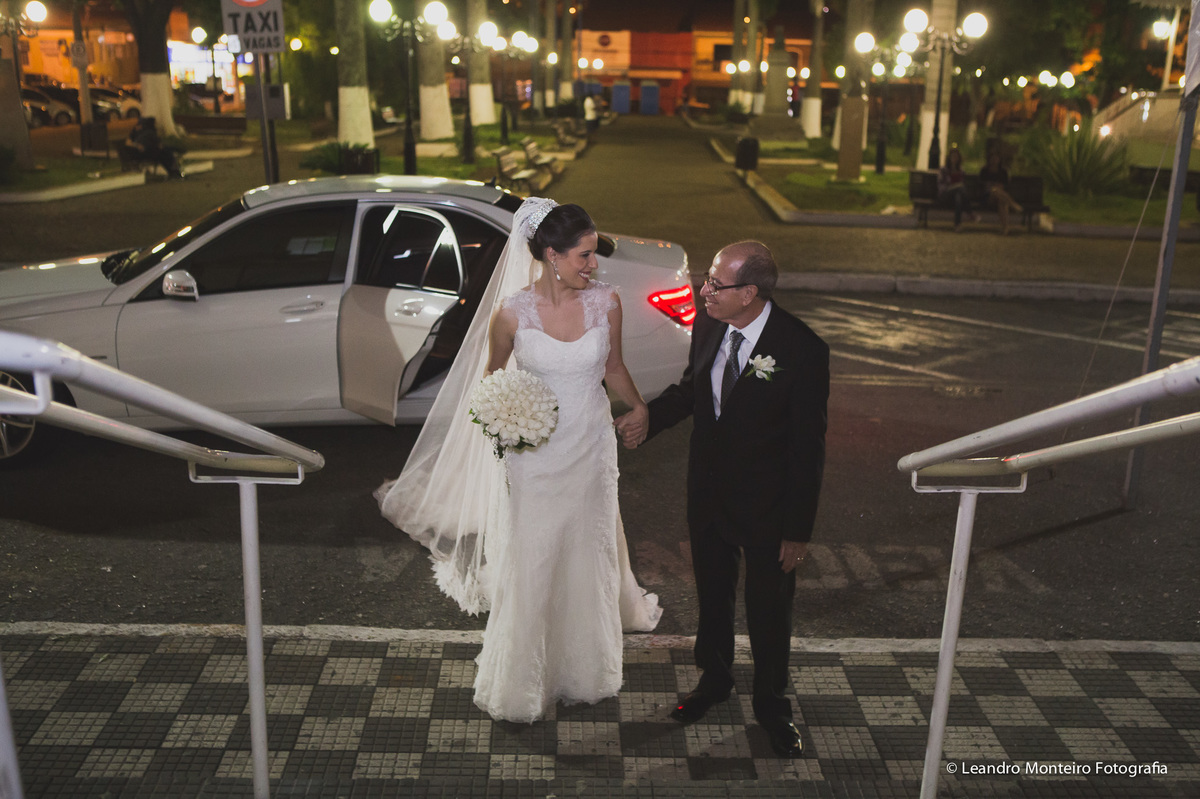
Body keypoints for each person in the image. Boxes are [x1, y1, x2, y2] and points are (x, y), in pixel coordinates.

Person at [375, 198, 661, 724]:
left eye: (593, 255)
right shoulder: (511, 314)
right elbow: (491, 379)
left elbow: (614, 366)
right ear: (551, 255)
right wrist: (507, 422)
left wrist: (639, 406)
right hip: (535, 454)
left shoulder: (607, 304)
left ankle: (585, 666)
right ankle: (525, 676)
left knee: (585, 546)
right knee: (536, 551)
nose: (592, 265)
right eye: (584, 255)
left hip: (592, 448)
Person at [618, 241, 829, 759]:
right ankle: (713, 681)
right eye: (706, 279)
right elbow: (694, 392)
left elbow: (808, 448)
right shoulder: (710, 326)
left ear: (750, 293)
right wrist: (643, 419)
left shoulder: (802, 349)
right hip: (708, 495)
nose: (703, 290)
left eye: (716, 283)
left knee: (768, 610)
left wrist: (797, 531)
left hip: (768, 508)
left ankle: (773, 707)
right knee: (713, 597)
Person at [980, 150, 1024, 235]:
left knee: (1002, 202)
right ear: (989, 159)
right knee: (994, 190)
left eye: (996, 158)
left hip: (1000, 196)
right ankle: (1013, 204)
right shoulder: (984, 170)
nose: (994, 160)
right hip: (988, 197)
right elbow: (983, 186)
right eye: (992, 158)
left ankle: (1006, 228)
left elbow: (1005, 185)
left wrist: (998, 186)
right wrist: (993, 186)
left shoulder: (1003, 172)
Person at [938, 147, 978, 231]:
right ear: (949, 158)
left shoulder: (961, 171)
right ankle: (970, 213)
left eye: (956, 157)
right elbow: (941, 185)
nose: (954, 159)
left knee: (958, 197)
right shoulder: (944, 170)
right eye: (953, 156)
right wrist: (952, 186)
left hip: (956, 196)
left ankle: (957, 225)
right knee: (960, 187)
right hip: (945, 194)